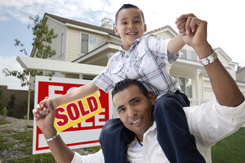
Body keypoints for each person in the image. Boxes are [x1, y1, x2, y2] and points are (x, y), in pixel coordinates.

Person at [33, 12, 245, 163]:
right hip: (152, 107)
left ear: (144, 27)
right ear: (116, 30)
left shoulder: (149, 44)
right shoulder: (114, 63)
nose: (131, 26)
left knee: (163, 105)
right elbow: (88, 88)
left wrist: (188, 37)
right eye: (124, 22)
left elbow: (169, 46)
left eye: (137, 21)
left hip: (170, 102)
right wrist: (55, 102)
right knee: (109, 129)